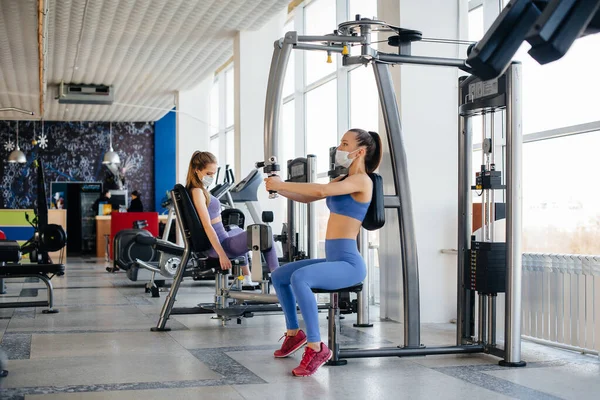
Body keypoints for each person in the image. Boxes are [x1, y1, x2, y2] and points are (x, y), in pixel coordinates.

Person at [265, 128, 382, 377]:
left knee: (301, 278)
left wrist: (280, 183)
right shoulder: (341, 181)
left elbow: (320, 191)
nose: (339, 148)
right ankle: (295, 334)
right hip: (334, 259)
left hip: (349, 264)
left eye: (344, 143)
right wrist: (278, 189)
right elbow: (308, 198)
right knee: (279, 276)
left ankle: (316, 347)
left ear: (360, 151)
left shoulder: (363, 180)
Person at [186, 151, 279, 286]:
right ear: (196, 170)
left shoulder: (199, 190)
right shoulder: (197, 192)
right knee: (265, 233)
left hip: (222, 239)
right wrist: (222, 254)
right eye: (208, 173)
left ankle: (246, 277)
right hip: (222, 245)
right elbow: (207, 226)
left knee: (236, 229)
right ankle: (278, 278)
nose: (211, 177)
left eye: (213, 173)